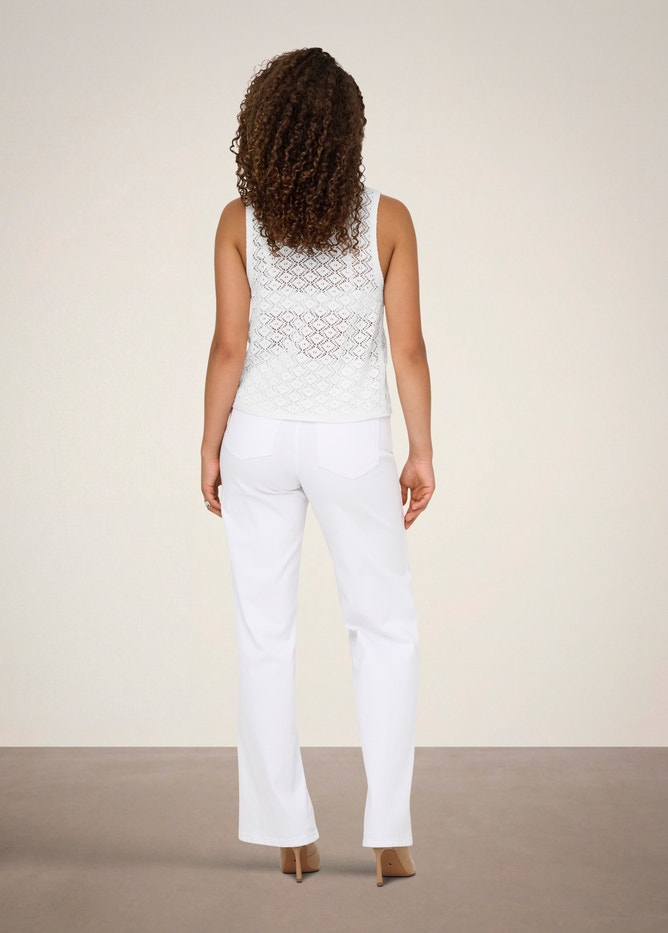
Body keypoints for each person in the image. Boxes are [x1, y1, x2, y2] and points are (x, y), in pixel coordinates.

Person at [200, 47, 435, 887]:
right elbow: (407, 349)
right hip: (351, 439)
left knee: (264, 632)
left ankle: (290, 836)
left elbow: (229, 347)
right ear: (349, 133)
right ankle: (390, 836)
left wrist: (209, 443)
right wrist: (421, 449)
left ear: (266, 128)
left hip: (259, 437)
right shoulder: (388, 220)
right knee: (384, 627)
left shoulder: (239, 220)